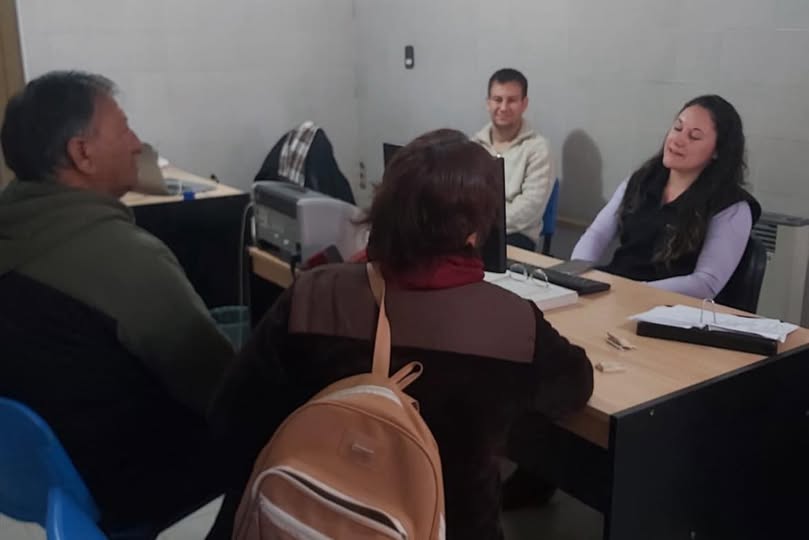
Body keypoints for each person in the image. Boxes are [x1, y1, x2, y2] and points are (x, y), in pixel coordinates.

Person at [209, 129, 593, 539]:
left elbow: (231, 416)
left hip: (302, 521)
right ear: (473, 234)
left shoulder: (313, 293)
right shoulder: (515, 324)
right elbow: (575, 386)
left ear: (384, 208)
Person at [0, 71, 234, 536]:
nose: (137, 144)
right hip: (135, 490)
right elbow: (226, 392)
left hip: (43, 477)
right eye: (124, 128)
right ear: (81, 154)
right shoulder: (127, 259)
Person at [571, 94, 761, 300]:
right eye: (677, 128)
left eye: (694, 137)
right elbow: (598, 234)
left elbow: (706, 283)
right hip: (617, 292)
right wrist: (577, 273)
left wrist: (634, 292)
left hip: (669, 307)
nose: (678, 140)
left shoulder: (732, 206)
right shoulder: (642, 180)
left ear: (718, 151)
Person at [473, 68, 554, 251]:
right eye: (497, 99)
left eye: (511, 100)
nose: (503, 108)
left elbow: (530, 209)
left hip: (516, 235)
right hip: (475, 231)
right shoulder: (474, 146)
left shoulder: (538, 149)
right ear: (488, 103)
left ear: (524, 104)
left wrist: (483, 224)